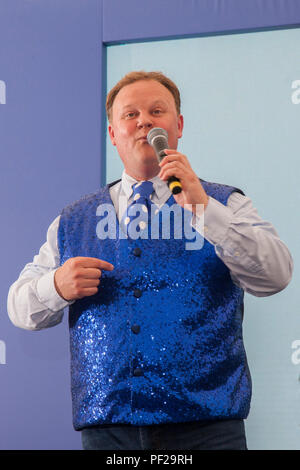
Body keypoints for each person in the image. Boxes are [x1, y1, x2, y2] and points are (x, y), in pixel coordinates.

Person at [7, 71, 293, 451]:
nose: (144, 121)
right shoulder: (73, 219)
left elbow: (276, 275)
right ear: (113, 134)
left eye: (157, 111)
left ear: (178, 126)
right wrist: (55, 286)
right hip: (108, 430)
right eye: (131, 114)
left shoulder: (225, 202)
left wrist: (205, 210)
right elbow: (19, 308)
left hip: (208, 428)